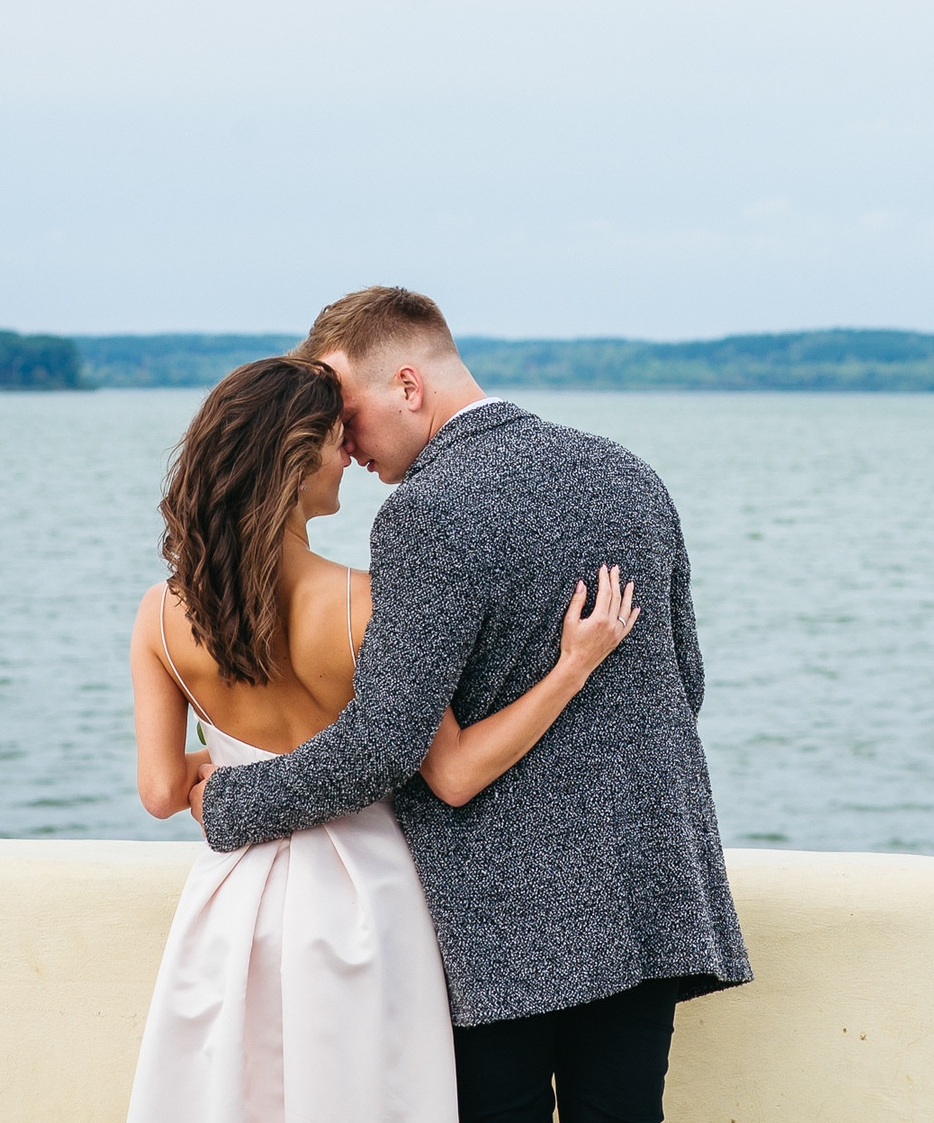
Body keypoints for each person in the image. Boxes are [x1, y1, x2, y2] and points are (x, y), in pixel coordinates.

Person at [196, 287, 751, 1123]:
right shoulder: (627, 472)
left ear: (408, 386)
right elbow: (684, 681)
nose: (341, 443)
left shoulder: (424, 512)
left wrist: (232, 800)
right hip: (648, 884)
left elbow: (383, 744)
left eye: (345, 412)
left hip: (501, 916)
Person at [128, 353, 639, 1123]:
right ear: (294, 459)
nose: (351, 459)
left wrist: (229, 760)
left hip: (233, 905)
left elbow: (163, 792)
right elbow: (451, 765)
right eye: (336, 440)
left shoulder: (158, 615)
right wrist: (570, 668)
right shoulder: (365, 606)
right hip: (368, 895)